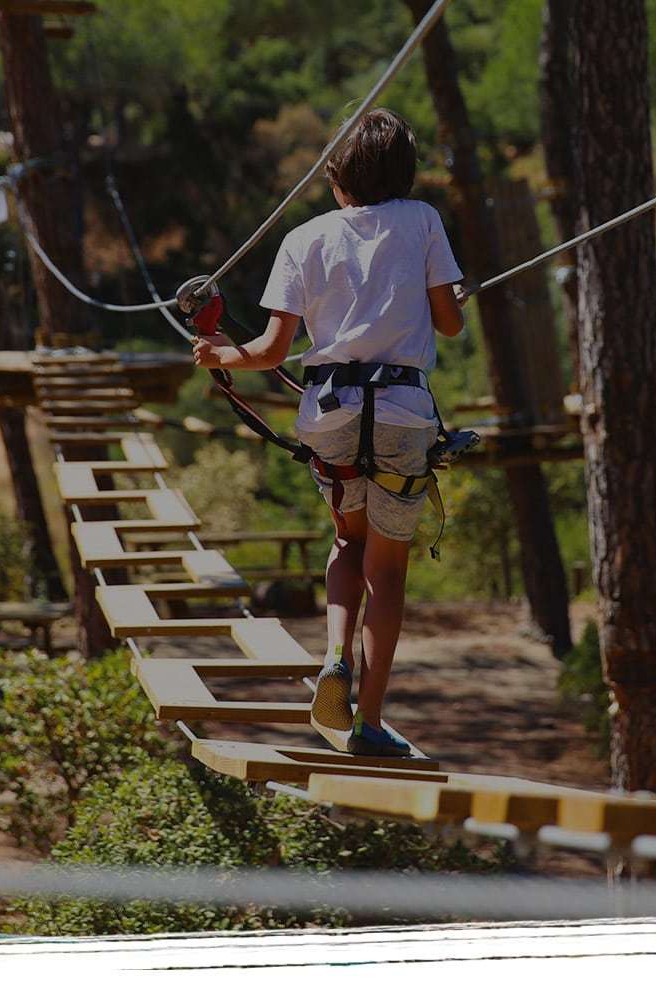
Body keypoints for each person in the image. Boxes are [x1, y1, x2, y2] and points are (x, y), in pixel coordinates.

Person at [190, 108, 464, 758]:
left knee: (347, 537)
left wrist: (221, 357)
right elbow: (450, 324)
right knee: (387, 572)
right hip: (402, 410)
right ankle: (368, 719)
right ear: (405, 173)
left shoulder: (305, 238)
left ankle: (336, 651)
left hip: (331, 413)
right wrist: (445, 297)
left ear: (338, 178)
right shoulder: (423, 221)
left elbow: (270, 349)